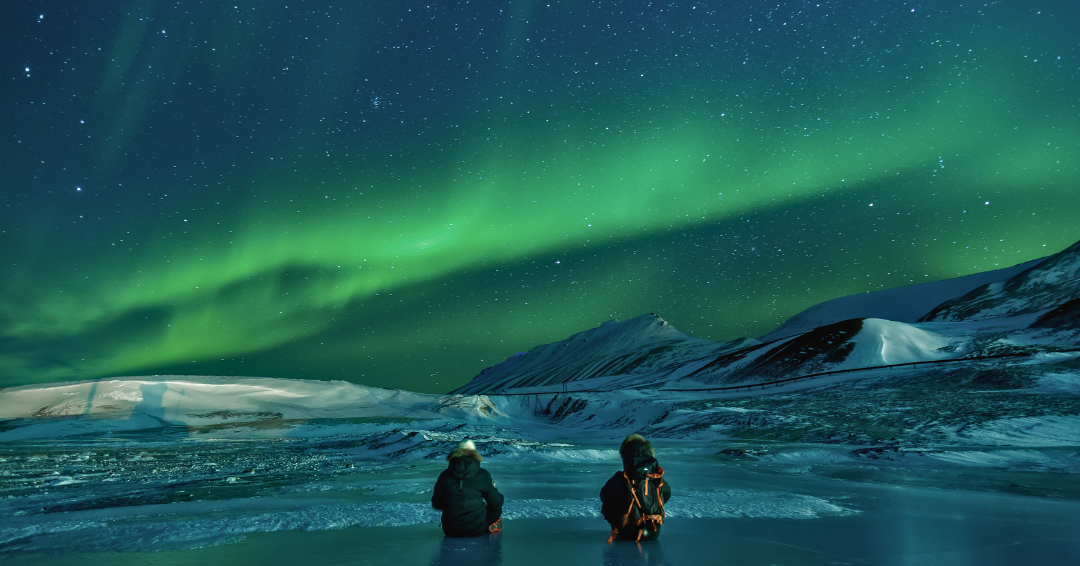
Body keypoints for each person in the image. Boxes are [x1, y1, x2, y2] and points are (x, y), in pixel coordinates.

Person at [600, 433, 671, 543]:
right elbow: (667, 494)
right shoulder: (657, 478)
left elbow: (604, 495)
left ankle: (619, 528)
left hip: (628, 534)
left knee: (609, 502)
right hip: (654, 533)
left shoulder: (620, 478)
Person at [432, 439, 504, 537]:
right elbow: (496, 502)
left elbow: (436, 504)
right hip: (477, 529)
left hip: (450, 530)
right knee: (494, 507)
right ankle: (492, 524)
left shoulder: (445, 475)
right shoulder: (483, 475)